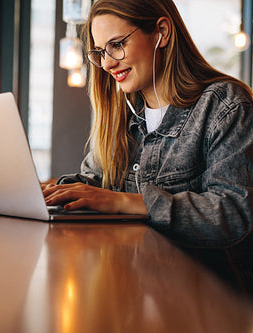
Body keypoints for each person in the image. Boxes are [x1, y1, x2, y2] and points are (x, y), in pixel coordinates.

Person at [43, 0, 253, 249]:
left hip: (201, 285)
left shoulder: (225, 105)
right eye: (100, 52)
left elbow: (234, 214)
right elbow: (96, 183)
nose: (107, 63)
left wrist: (125, 202)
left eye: (117, 44)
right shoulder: (120, 114)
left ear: (161, 32)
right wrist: (48, 193)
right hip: (133, 277)